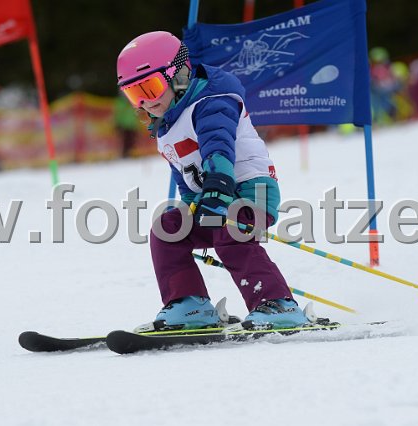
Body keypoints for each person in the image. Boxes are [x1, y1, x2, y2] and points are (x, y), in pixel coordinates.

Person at [116, 31, 314, 331]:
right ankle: (189, 305)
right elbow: (185, 176)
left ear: (178, 76)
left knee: (230, 228)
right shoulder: (166, 124)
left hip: (251, 190)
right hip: (210, 197)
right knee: (167, 230)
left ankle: (277, 304)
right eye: (134, 93)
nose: (145, 100)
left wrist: (217, 190)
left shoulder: (212, 101)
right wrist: (191, 208)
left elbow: (217, 147)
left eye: (150, 87)